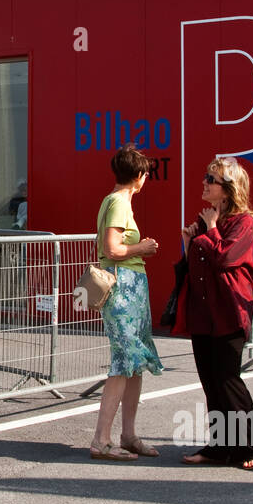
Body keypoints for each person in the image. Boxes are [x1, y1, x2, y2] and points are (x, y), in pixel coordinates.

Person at [174, 156, 253, 469]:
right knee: (210, 382)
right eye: (206, 176)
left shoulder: (243, 222)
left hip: (228, 313)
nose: (204, 183)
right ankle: (219, 447)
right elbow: (196, 267)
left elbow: (225, 258)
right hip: (203, 314)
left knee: (228, 380)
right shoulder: (205, 218)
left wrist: (210, 230)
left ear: (227, 190)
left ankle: (249, 446)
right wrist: (189, 241)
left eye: (210, 179)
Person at [89, 145, 163, 460]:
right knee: (123, 363)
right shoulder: (120, 202)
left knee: (133, 364)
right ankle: (101, 440)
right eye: (145, 173)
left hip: (128, 289)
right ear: (139, 176)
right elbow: (112, 249)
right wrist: (142, 247)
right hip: (124, 289)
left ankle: (127, 435)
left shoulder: (114, 200)